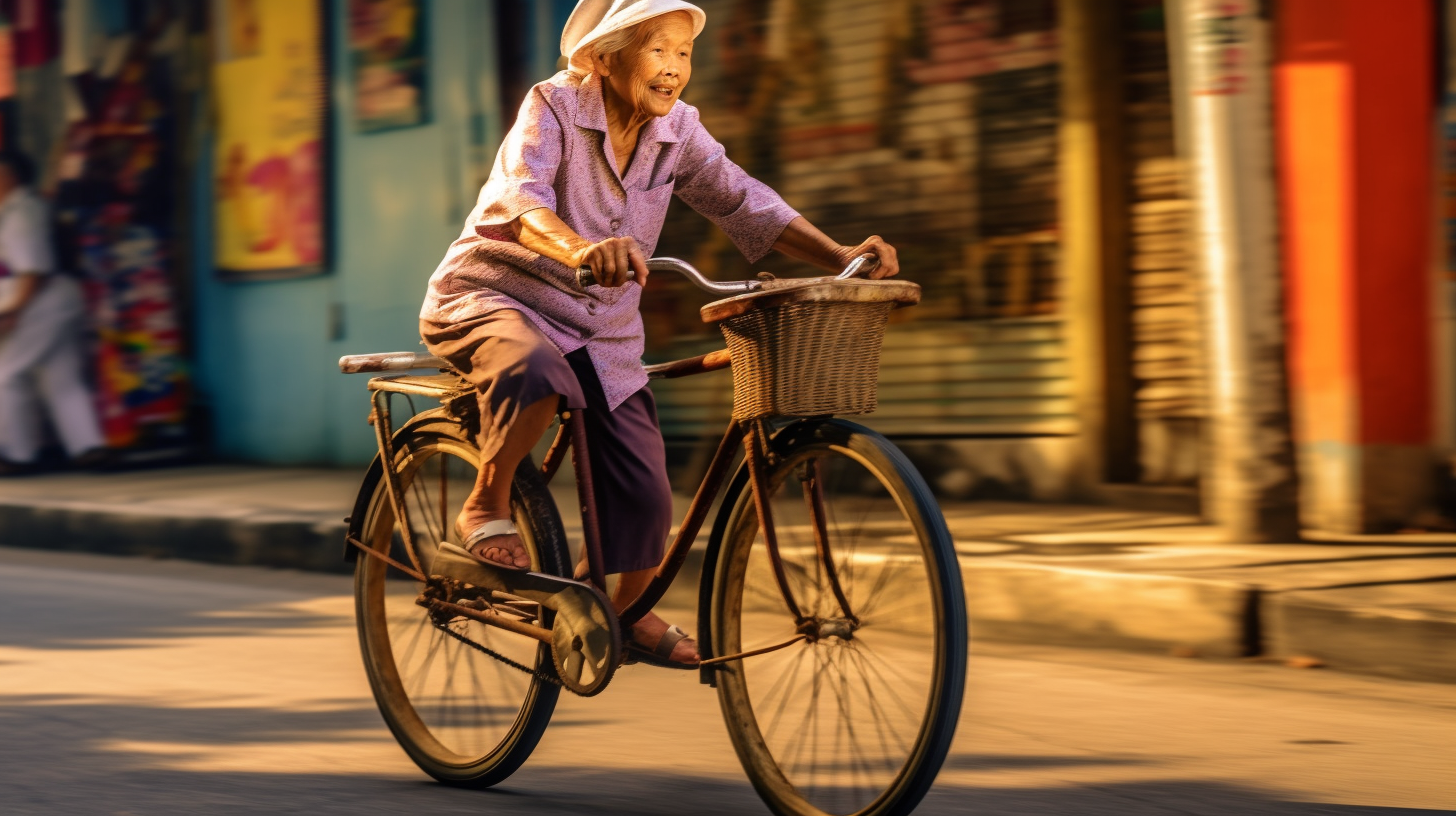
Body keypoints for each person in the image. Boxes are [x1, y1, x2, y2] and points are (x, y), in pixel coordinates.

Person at [419, 0, 899, 666]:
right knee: (533, 373)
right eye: (658, 50)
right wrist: (579, 248)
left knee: (646, 494)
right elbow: (520, 199)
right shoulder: (554, 107)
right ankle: (486, 506)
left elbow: (743, 198)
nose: (674, 68)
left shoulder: (679, 130)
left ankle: (624, 613)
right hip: (500, 295)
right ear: (610, 55)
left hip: (601, 326)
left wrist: (840, 257)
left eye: (684, 53)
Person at [0, 151, 107, 475]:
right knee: (62, 379)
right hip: (57, 300)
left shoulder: (19, 213)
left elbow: (33, 271)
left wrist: (13, 311)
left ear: (8, 175)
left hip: (39, 303)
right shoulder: (28, 207)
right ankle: (88, 447)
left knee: (7, 375)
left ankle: (16, 455)